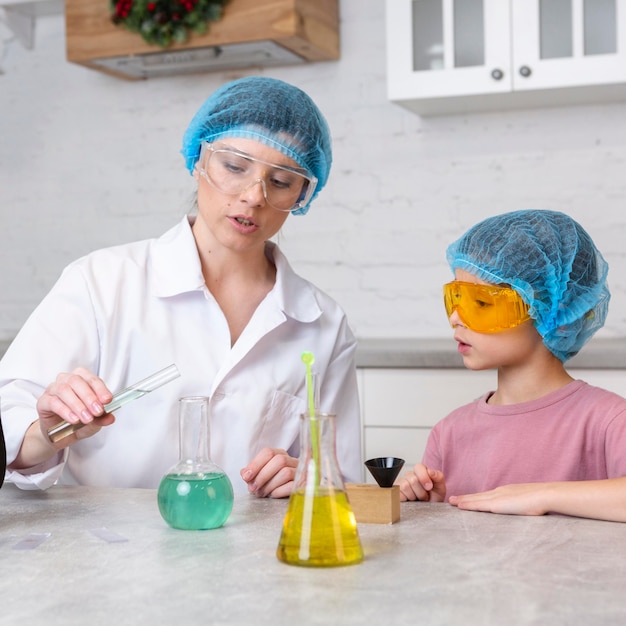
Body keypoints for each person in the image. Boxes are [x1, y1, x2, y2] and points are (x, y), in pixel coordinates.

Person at [0, 76, 361, 498]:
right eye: (234, 167)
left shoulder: (324, 324)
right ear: (198, 161)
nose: (253, 196)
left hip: (253, 559)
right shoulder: (100, 282)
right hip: (106, 552)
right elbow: (10, 429)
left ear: (303, 194)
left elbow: (342, 481)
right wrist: (47, 432)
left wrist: (304, 477)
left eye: (280, 181)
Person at [398, 209, 626, 522]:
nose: (455, 318)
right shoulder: (449, 433)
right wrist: (431, 507)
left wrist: (541, 495)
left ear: (547, 307)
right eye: (455, 297)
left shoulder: (608, 421)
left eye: (481, 302)